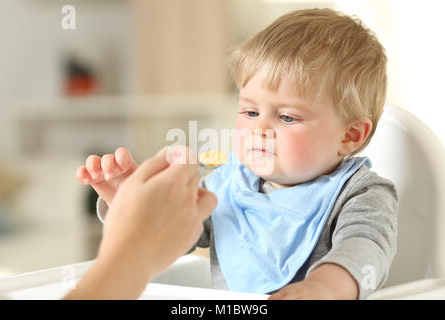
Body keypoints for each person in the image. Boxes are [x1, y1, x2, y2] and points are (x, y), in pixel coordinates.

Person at [77, 8, 398, 300]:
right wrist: (128, 202)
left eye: (287, 117)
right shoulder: (227, 182)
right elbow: (173, 235)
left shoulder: (361, 193)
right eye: (249, 112)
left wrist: (325, 288)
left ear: (350, 135)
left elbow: (366, 248)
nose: (260, 130)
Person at [65, 146, 217, 299]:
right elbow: (173, 233)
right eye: (240, 121)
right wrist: (132, 214)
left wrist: (133, 233)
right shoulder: (219, 185)